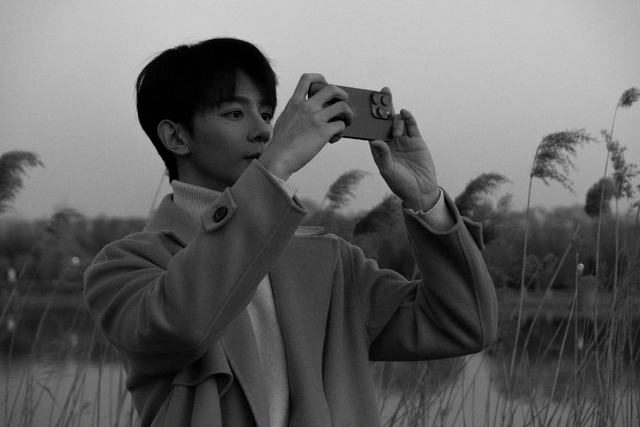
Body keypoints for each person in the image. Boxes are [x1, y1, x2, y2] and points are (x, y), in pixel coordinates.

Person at [84, 37, 498, 427]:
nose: (264, 131)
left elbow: (464, 323)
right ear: (176, 136)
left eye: (267, 114)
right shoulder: (125, 268)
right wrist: (273, 170)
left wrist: (427, 202)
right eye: (234, 114)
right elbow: (183, 326)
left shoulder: (329, 263)